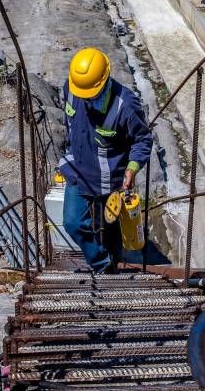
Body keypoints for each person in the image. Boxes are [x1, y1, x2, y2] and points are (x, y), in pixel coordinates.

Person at [59, 47, 152, 273]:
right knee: (73, 222)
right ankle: (103, 265)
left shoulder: (125, 105)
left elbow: (143, 139)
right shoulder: (72, 89)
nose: (83, 97)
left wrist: (132, 169)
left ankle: (113, 259)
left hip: (110, 177)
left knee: (111, 229)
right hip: (78, 169)